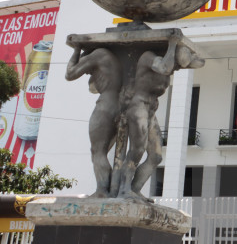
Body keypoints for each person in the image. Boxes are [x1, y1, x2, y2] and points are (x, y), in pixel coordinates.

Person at [117, 37, 204, 201]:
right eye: (177, 63)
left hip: (150, 110)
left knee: (156, 156)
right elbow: (163, 67)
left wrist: (190, 51)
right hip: (138, 106)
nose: (177, 67)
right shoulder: (149, 57)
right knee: (137, 149)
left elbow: (200, 63)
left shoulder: (171, 64)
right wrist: (172, 44)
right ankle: (124, 189)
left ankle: (134, 189)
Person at [65, 45, 122, 198]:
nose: (89, 73)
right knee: (104, 152)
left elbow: (70, 74)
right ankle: (111, 189)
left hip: (106, 105)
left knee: (97, 151)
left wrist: (76, 50)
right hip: (120, 105)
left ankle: (102, 191)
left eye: (88, 69)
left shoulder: (97, 55)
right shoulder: (115, 60)